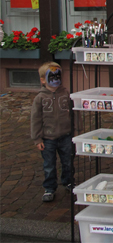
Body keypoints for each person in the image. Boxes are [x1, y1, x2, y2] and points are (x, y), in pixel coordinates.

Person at [31, 62, 80, 202]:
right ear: (42, 79)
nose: (55, 79)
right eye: (51, 76)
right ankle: (49, 188)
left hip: (66, 135)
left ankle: (69, 181)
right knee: (49, 165)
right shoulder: (40, 98)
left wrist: (76, 130)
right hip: (48, 138)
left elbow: (74, 113)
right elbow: (35, 119)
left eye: (58, 75)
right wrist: (37, 139)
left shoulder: (65, 94)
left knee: (68, 161)